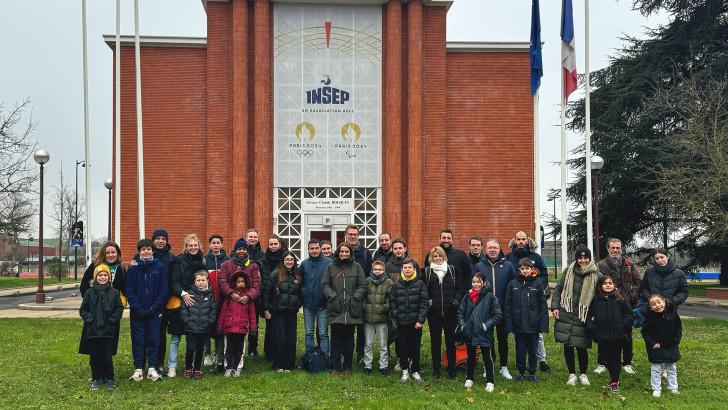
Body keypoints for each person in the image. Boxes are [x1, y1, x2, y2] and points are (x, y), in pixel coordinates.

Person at [551, 244, 600, 386]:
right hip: (566, 311)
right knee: (568, 344)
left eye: (586, 258)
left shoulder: (596, 274)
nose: (583, 260)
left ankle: (583, 374)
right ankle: (571, 374)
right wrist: (554, 306)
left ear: (590, 259)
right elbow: (558, 289)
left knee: (582, 345)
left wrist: (595, 313)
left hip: (583, 314)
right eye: (580, 257)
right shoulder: (569, 270)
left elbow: (600, 294)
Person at [505, 231, 551, 372]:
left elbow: (543, 274)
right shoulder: (509, 257)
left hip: (532, 298)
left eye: (523, 239)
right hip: (517, 298)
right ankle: (520, 362)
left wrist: (536, 285)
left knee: (537, 335)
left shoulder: (535, 257)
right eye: (518, 239)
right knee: (518, 334)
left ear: (527, 241)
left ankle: (541, 360)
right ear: (514, 241)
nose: (520, 241)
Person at [594, 238, 640, 376]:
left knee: (626, 334)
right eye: (613, 248)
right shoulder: (601, 265)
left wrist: (632, 294)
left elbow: (638, 281)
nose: (615, 250)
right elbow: (599, 284)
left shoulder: (628, 264)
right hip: (608, 303)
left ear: (622, 249)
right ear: (608, 249)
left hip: (625, 304)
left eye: (618, 248)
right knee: (604, 334)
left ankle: (627, 363)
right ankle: (602, 363)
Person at [79, 242, 126, 371]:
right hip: (95, 313)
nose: (111, 255)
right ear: (103, 254)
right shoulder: (96, 266)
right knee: (94, 343)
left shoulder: (121, 268)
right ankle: (95, 372)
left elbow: (125, 288)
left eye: (113, 252)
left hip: (111, 314)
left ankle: (106, 370)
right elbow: (84, 285)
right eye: (108, 252)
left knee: (109, 342)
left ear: (117, 254)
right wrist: (92, 303)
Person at [126, 239, 168, 382]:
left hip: (154, 312)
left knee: (154, 339)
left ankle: (152, 368)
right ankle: (138, 368)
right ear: (139, 251)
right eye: (143, 249)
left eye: (148, 249)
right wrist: (137, 307)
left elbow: (163, 290)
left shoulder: (159, 267)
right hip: (137, 312)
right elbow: (129, 290)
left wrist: (154, 307)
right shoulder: (133, 268)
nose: (146, 252)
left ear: (152, 250)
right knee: (138, 339)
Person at [475, 238, 517, 380]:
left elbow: (513, 287)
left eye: (495, 248)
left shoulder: (508, 265)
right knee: (487, 339)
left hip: (502, 309)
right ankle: (489, 365)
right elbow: (475, 287)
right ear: (486, 250)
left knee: (502, 338)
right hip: (485, 310)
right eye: (490, 248)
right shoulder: (479, 266)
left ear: (500, 249)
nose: (493, 250)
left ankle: (503, 367)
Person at [322, 242, 366, 376]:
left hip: (352, 309)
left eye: (347, 252)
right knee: (335, 340)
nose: (344, 254)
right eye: (342, 251)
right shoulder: (331, 267)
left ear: (350, 253)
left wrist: (355, 298)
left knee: (349, 341)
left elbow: (362, 285)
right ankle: (335, 366)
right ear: (338, 253)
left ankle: (347, 367)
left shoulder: (357, 267)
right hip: (337, 309)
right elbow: (324, 285)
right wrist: (333, 297)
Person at [217, 238, 261, 373]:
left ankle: (238, 366)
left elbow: (256, 284)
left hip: (245, 304)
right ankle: (227, 365)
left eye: (244, 249)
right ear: (235, 250)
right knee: (227, 342)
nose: (241, 251)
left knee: (240, 342)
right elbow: (222, 281)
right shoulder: (226, 264)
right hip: (229, 303)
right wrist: (231, 293)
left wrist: (248, 296)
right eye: (239, 249)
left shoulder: (253, 266)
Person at [166, 233, 206, 378]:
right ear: (186, 247)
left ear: (199, 246)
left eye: (196, 245)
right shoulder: (179, 261)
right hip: (180, 301)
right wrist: (183, 294)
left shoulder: (202, 261)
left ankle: (193, 366)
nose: (193, 248)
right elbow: (174, 282)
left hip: (196, 303)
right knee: (176, 337)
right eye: (190, 245)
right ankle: (172, 366)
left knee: (195, 338)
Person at [585, 276, 633, 394]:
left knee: (615, 358)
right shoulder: (596, 301)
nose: (608, 285)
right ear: (600, 286)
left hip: (618, 336)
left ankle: (614, 381)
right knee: (605, 357)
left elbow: (629, 315)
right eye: (605, 283)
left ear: (614, 285)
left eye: (610, 283)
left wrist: (623, 326)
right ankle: (611, 376)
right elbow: (589, 317)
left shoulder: (620, 300)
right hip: (602, 335)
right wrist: (592, 329)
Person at [79, 265, 124, 391]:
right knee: (94, 357)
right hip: (93, 330)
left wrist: (112, 320)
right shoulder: (89, 293)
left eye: (105, 275)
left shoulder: (114, 293)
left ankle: (109, 378)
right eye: (100, 275)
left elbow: (119, 308)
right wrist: (89, 319)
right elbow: (83, 309)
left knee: (107, 356)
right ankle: (97, 378)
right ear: (95, 277)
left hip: (108, 330)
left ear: (109, 277)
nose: (103, 277)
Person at [423, 246, 465, 379]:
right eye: (435, 256)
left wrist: (456, 300)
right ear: (431, 258)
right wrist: (429, 302)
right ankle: (436, 370)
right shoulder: (426, 272)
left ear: (444, 257)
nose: (438, 258)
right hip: (434, 313)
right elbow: (423, 290)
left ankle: (452, 370)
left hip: (450, 312)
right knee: (435, 342)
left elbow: (460, 288)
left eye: (440, 256)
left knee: (450, 342)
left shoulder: (453, 270)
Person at [458, 272, 501, 393]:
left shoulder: (490, 297)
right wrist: (463, 326)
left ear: (483, 283)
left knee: (487, 357)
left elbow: (497, 315)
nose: (476, 284)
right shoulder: (467, 297)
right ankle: (469, 378)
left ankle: (490, 381)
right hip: (469, 331)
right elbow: (460, 313)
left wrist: (486, 326)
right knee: (470, 356)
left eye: (478, 282)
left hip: (484, 332)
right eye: (474, 282)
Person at [389, 258, 429, 383]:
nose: (407, 270)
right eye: (405, 268)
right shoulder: (396, 285)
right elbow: (392, 303)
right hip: (401, 324)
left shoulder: (420, 284)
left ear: (414, 269)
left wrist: (420, 320)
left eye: (409, 268)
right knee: (402, 348)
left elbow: (424, 303)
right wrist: (396, 317)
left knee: (415, 348)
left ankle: (416, 372)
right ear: (402, 270)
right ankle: (405, 372)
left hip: (415, 324)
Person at [263, 251, 303, 372]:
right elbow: (266, 292)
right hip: (278, 311)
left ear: (294, 262)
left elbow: (301, 293)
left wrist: (298, 304)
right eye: (287, 259)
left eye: (291, 259)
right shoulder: (275, 274)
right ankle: (279, 364)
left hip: (291, 312)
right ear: (283, 261)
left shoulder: (298, 275)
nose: (289, 261)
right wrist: (266, 309)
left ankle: (289, 365)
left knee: (291, 339)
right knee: (279, 338)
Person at [217, 269, 258, 377]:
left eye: (243, 281)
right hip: (229, 328)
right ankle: (229, 367)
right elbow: (223, 312)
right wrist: (220, 327)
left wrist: (253, 329)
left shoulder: (248, 298)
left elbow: (252, 315)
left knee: (239, 349)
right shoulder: (230, 297)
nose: (241, 283)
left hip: (242, 328)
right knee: (229, 349)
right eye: (238, 281)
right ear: (235, 282)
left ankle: (237, 367)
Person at [641, 294, 682, 398]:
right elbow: (645, 332)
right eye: (653, 304)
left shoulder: (672, 313)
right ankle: (656, 389)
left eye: (659, 302)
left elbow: (678, 327)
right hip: (657, 347)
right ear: (650, 307)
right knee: (656, 369)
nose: (657, 305)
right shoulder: (649, 318)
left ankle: (673, 388)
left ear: (664, 301)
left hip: (671, 345)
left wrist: (677, 339)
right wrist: (652, 343)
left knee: (671, 368)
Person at [180, 270, 217, 380]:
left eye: (203, 280)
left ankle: (197, 369)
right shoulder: (189, 293)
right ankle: (188, 368)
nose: (200, 282)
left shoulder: (210, 295)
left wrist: (209, 321)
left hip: (204, 328)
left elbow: (213, 310)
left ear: (207, 281)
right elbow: (183, 309)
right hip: (191, 328)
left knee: (200, 349)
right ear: (194, 281)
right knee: (191, 349)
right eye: (198, 280)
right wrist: (187, 320)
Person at [343, 224, 373, 363]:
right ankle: (345, 353)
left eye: (355, 234)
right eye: (350, 234)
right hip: (345, 297)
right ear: (346, 235)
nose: (353, 237)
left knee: (362, 329)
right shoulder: (341, 252)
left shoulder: (366, 253)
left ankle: (361, 355)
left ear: (358, 236)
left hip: (361, 297)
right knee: (346, 328)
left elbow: (369, 275)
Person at [257, 234, 287, 360]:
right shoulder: (262, 261)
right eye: (271, 244)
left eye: (276, 244)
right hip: (268, 296)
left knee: (283, 327)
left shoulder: (286, 258)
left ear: (280, 244)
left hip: (283, 297)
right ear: (268, 245)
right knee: (270, 327)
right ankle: (269, 353)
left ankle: (281, 351)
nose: (273, 246)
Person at [149, 228, 175, 374]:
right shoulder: (144, 255)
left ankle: (159, 363)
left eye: (163, 239)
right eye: (158, 238)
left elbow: (172, 281)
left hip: (163, 303)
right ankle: (145, 362)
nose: (160, 241)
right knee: (146, 334)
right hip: (147, 302)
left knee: (160, 334)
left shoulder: (170, 258)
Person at [300, 238, 331, 357]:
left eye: (316, 248)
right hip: (308, 304)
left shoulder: (329, 263)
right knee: (309, 333)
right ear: (308, 250)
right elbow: (301, 281)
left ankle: (324, 357)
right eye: (311, 249)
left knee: (323, 333)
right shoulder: (304, 264)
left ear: (320, 249)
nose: (314, 251)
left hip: (323, 304)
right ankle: (310, 357)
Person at [363, 260, 393, 375]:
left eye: (380, 269)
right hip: (368, 318)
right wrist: (366, 308)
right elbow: (363, 298)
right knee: (368, 344)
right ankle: (367, 365)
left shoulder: (389, 282)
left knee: (383, 345)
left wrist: (382, 308)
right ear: (372, 269)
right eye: (375, 269)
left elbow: (391, 300)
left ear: (384, 270)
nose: (377, 271)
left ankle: (383, 366)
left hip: (382, 319)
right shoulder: (367, 281)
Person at [204, 234, 228, 370]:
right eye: (213, 243)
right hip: (208, 299)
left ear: (222, 245)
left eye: (218, 242)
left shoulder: (227, 260)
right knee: (206, 327)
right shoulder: (204, 260)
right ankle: (207, 353)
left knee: (220, 327)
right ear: (210, 245)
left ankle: (218, 354)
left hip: (223, 300)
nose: (216, 245)